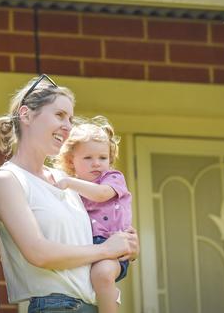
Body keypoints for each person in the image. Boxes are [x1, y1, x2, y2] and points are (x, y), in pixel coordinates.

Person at [0, 74, 139, 313]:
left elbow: (91, 234)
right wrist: (105, 249)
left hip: (91, 305)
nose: (68, 126)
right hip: (53, 306)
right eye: (59, 115)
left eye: (70, 118)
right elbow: (39, 253)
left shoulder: (66, 180)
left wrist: (126, 245)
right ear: (26, 115)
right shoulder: (8, 179)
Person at [54, 116, 132, 313]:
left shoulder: (112, 178)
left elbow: (101, 194)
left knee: (103, 274)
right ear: (72, 161)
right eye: (88, 158)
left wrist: (70, 183)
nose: (96, 164)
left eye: (103, 158)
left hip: (113, 245)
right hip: (86, 247)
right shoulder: (74, 188)